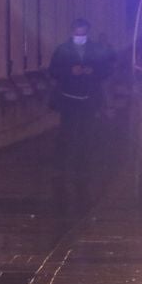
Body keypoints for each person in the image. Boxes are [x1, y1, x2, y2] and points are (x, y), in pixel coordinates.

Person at [48, 17, 113, 200]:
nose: (81, 35)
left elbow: (107, 69)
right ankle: (61, 167)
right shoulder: (62, 50)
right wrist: (70, 71)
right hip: (69, 97)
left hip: (89, 97)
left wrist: (93, 71)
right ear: (72, 31)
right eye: (78, 31)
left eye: (83, 32)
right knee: (66, 134)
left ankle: (82, 168)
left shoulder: (95, 50)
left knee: (86, 134)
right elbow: (53, 70)